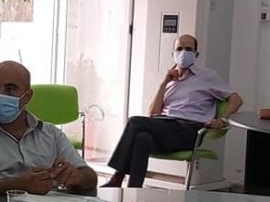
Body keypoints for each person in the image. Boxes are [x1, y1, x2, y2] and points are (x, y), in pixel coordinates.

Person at [0, 61, 98, 201]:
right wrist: (19, 184)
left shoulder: (51, 134)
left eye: (10, 89)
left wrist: (77, 177)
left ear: (27, 97)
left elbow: (90, 177)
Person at [103, 34, 243, 188]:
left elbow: (236, 100)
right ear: (173, 54)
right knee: (142, 139)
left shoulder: (207, 76)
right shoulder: (171, 80)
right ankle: (133, 192)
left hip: (189, 130)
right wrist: (165, 82)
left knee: (135, 121)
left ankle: (117, 177)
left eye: (188, 49)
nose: (183, 53)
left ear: (196, 54)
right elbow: (153, 114)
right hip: (166, 127)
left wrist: (222, 119)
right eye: (179, 49)